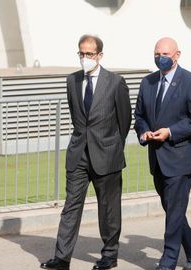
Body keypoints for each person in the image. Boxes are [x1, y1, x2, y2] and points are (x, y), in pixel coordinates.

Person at [41, 35, 132, 270]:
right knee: (71, 206)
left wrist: (112, 147)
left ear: (100, 55)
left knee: (108, 209)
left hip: (107, 155)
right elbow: (77, 117)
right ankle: (62, 258)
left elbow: (124, 121)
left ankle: (109, 256)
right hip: (78, 154)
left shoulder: (115, 82)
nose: (84, 58)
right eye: (81, 53)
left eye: (89, 54)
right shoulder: (72, 81)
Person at [134, 37, 191, 270]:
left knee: (174, 211)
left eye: (165, 53)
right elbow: (139, 116)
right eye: (157, 54)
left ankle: (168, 261)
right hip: (157, 158)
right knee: (172, 208)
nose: (160, 58)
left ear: (177, 55)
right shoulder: (147, 82)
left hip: (180, 157)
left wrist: (171, 132)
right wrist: (145, 132)